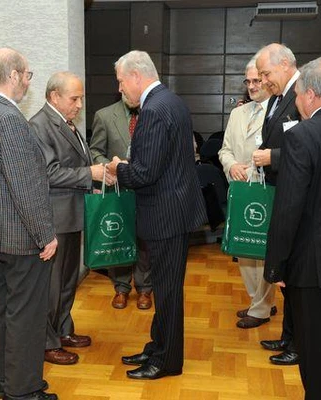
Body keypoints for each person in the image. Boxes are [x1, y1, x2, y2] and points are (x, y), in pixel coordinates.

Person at [107, 50, 207, 380]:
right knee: (167, 288)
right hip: (175, 210)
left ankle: (166, 361)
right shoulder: (172, 101)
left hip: (164, 214)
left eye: (121, 82)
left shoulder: (152, 110)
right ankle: (158, 346)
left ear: (137, 76)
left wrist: (118, 167)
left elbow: (143, 174)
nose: (120, 89)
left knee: (166, 292)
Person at [0, 48, 58, 400]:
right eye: (29, 75)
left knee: (6, 311)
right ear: (15, 75)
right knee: (26, 317)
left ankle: (7, 381)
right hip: (22, 238)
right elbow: (27, 187)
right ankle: (23, 391)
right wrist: (45, 235)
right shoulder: (9, 119)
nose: (28, 82)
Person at [30, 72, 114, 366]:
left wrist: (99, 173)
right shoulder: (40, 125)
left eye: (81, 98)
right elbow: (48, 173)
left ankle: (64, 330)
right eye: (74, 98)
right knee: (53, 285)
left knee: (68, 281)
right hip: (55, 217)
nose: (79, 105)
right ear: (54, 97)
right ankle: (47, 342)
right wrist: (89, 174)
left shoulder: (68, 124)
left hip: (74, 214)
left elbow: (77, 163)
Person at [264, 56, 321, 400]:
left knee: (317, 356)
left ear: (309, 95)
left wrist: (277, 265)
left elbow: (288, 208)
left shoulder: (303, 136)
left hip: (314, 266)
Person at [218, 56, 276, 329]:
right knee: (244, 250)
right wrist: (231, 166)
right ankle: (260, 301)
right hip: (241, 191)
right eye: (247, 81)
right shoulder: (237, 114)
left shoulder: (279, 111)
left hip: (266, 194)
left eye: (256, 80)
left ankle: (261, 308)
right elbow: (224, 150)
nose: (252, 86)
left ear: (266, 79)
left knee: (262, 250)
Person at [253, 43, 301, 366]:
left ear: (285, 65)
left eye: (266, 73)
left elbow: (308, 149)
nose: (263, 80)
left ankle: (298, 343)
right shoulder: (276, 98)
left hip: (296, 197)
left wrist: (272, 157)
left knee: (294, 276)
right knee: (284, 272)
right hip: (277, 194)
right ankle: (288, 336)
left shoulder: (303, 95)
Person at [90, 95, 152, 310]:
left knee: (145, 241)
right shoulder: (104, 115)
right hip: (117, 189)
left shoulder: (153, 114)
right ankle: (121, 288)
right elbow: (95, 151)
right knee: (119, 239)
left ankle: (145, 288)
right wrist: (110, 167)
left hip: (146, 190)